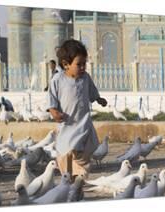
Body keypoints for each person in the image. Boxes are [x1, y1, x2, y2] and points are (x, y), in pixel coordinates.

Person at [46, 39, 107, 181]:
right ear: (66, 64)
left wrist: (99, 99)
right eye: (78, 64)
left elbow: (92, 92)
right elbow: (51, 99)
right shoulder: (57, 80)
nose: (82, 67)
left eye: (84, 64)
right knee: (65, 154)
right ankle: (70, 180)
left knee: (84, 154)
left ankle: (79, 177)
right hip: (68, 125)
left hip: (84, 124)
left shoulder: (85, 78)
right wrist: (54, 112)